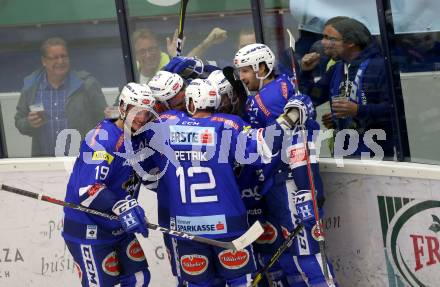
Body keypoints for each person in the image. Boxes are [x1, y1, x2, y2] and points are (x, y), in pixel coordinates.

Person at [138, 77, 301, 287]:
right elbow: (265, 147)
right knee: (240, 283)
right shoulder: (228, 125)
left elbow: (143, 164)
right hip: (228, 225)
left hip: (186, 228)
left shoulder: (165, 124)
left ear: (190, 103)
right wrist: (291, 116)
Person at [234, 43, 337, 286]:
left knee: (306, 257)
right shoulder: (283, 87)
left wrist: (304, 191)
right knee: (297, 259)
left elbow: (298, 145)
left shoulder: (268, 98)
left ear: (262, 68)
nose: (242, 78)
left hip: (291, 185)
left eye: (246, 71)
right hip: (286, 185)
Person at [62, 82, 155, 287]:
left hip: (118, 226)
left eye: (146, 113)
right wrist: (124, 206)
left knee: (139, 278)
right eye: (136, 111)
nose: (141, 118)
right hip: (88, 228)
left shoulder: (141, 136)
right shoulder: (101, 140)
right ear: (123, 107)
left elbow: (150, 174)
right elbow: (88, 191)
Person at [300, 17, 394, 158]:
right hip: (343, 154)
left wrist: (357, 110)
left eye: (329, 38)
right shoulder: (337, 68)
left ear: (351, 43)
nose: (323, 43)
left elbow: (392, 110)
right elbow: (312, 99)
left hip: (375, 155)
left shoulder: (379, 66)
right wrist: (306, 73)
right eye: (323, 37)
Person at [14, 37, 107, 156]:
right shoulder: (31, 87)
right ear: (44, 61)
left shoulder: (87, 85)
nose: (60, 61)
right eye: (54, 58)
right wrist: (29, 123)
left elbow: (104, 122)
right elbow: (19, 121)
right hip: (44, 162)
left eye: (64, 56)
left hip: (81, 160)